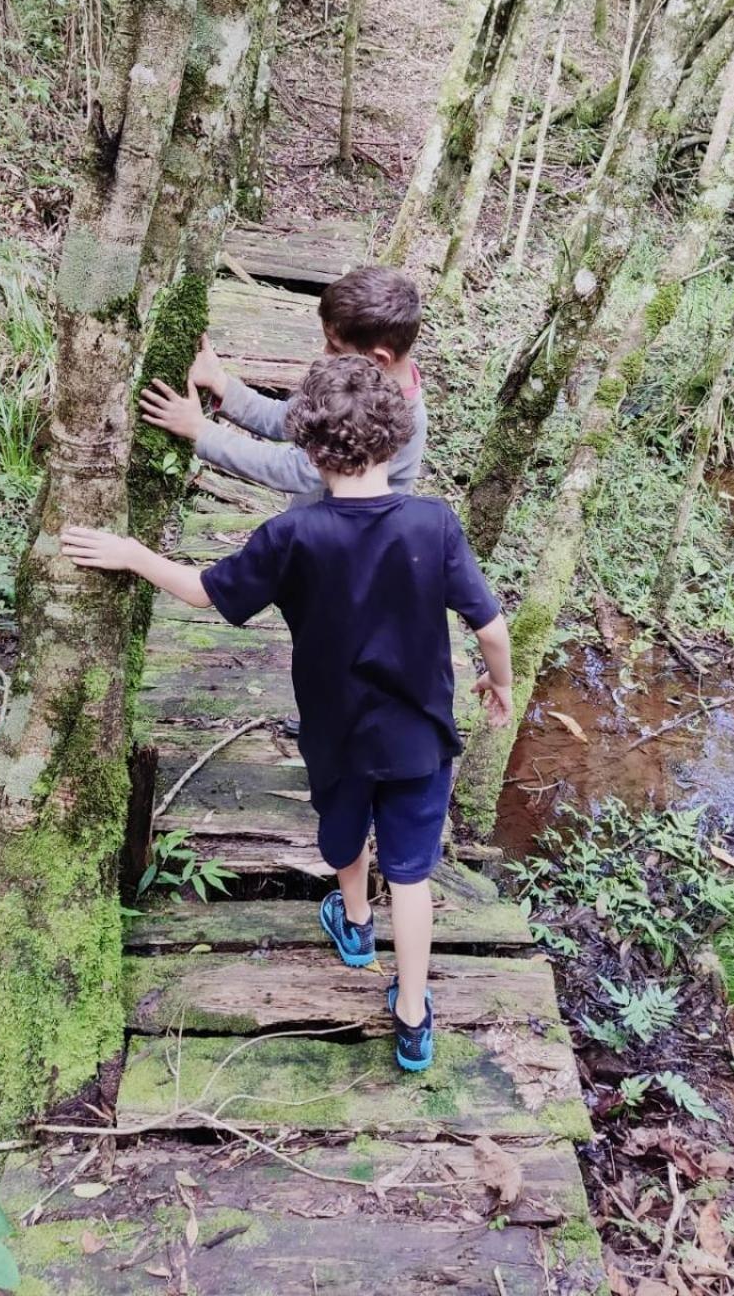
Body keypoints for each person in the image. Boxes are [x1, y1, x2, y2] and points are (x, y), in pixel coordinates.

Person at [62, 355, 512, 1074]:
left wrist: (133, 554)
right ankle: (412, 1015)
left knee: (343, 833)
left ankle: (358, 926)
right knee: (415, 872)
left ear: (308, 448)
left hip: (337, 732)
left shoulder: (292, 534)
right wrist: (500, 686)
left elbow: (205, 592)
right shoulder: (434, 523)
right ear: (394, 441)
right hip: (421, 736)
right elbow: (491, 626)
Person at [138, 265, 427, 505]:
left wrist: (201, 432)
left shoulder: (391, 420)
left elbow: (295, 469)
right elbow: (290, 419)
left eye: (336, 348)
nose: (325, 354)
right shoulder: (359, 384)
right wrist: (223, 385)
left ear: (379, 358)